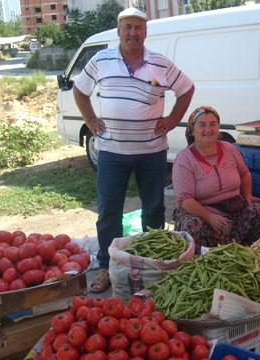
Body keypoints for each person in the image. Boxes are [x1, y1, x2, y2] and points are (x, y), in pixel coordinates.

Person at [73, 7, 195, 292]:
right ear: (118, 31)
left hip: (151, 151)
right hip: (112, 152)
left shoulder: (161, 64)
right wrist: (90, 119)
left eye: (138, 28)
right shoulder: (101, 60)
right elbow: (80, 90)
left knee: (152, 209)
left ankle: (152, 264)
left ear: (145, 32)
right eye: (127, 27)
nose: (133, 33)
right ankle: (106, 266)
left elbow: (186, 89)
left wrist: (173, 119)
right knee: (108, 212)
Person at [172, 106, 260, 250]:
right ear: (192, 130)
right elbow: (185, 199)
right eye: (202, 125)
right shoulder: (184, 159)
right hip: (204, 212)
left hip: (235, 207)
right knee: (193, 225)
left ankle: (255, 253)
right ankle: (208, 260)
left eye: (213, 124)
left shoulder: (229, 148)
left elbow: (244, 173)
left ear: (218, 127)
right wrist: (209, 217)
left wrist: (247, 195)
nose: (208, 129)